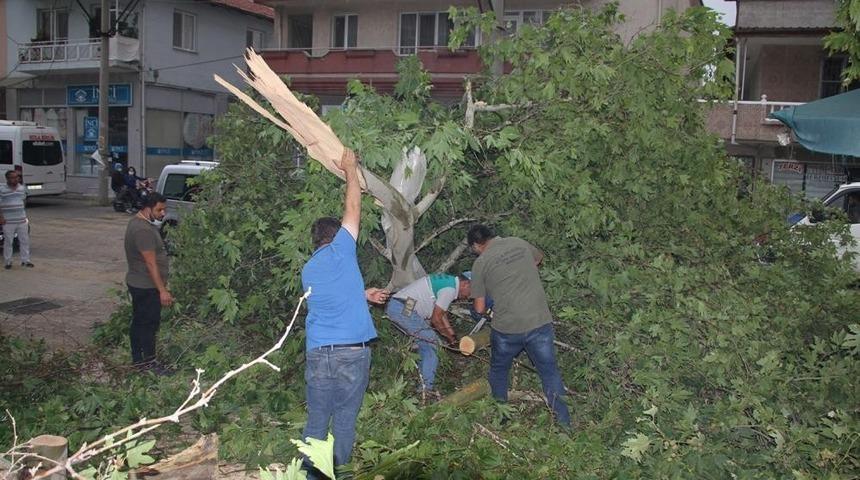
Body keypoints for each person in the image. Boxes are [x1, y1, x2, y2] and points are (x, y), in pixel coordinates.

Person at [300, 148, 389, 478]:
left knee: (317, 420)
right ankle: (340, 475)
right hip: (351, 355)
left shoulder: (309, 270)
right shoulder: (342, 248)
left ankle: (311, 475)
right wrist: (351, 170)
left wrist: (363, 295)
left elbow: (331, 302)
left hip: (319, 353)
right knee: (345, 421)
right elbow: (353, 206)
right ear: (335, 236)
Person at [467, 224, 571, 428]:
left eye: (473, 249)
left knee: (498, 370)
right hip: (539, 321)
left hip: (508, 330)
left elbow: (479, 308)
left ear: (477, 245)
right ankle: (564, 424)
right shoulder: (518, 242)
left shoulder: (481, 263)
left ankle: (502, 418)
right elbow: (538, 257)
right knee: (549, 372)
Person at [386, 272, 471, 396]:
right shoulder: (450, 289)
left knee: (425, 344)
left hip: (402, 303)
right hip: (404, 307)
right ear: (466, 284)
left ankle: (423, 383)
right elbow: (436, 319)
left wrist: (452, 336)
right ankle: (426, 389)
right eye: (470, 291)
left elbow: (442, 314)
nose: (469, 296)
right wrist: (449, 338)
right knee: (432, 344)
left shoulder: (449, 282)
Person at [124, 192, 173, 375]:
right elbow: (150, 263)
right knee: (148, 325)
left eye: (164, 209)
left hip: (140, 283)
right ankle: (149, 363)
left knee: (139, 323)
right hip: (146, 286)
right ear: (147, 208)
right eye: (159, 209)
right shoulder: (143, 230)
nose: (162, 213)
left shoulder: (138, 223)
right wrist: (162, 290)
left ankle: (138, 361)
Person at [0, 170, 33, 269]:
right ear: (7, 179)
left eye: (17, 177)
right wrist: (1, 217)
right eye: (13, 177)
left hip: (21, 219)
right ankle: (8, 262)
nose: (15, 179)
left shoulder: (22, 188)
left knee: (24, 241)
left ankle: (25, 260)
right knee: (8, 241)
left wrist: (23, 213)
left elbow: (23, 200)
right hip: (8, 220)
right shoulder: (2, 189)